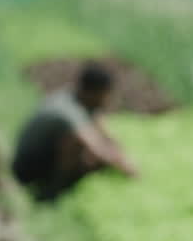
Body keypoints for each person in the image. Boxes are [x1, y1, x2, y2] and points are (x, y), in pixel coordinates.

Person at [11, 61, 138, 202]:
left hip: (40, 158)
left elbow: (103, 131)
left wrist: (119, 153)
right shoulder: (67, 111)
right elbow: (94, 146)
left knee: (95, 152)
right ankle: (51, 193)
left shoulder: (79, 99)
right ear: (95, 92)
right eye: (106, 95)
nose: (108, 100)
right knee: (79, 148)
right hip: (25, 168)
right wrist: (128, 170)